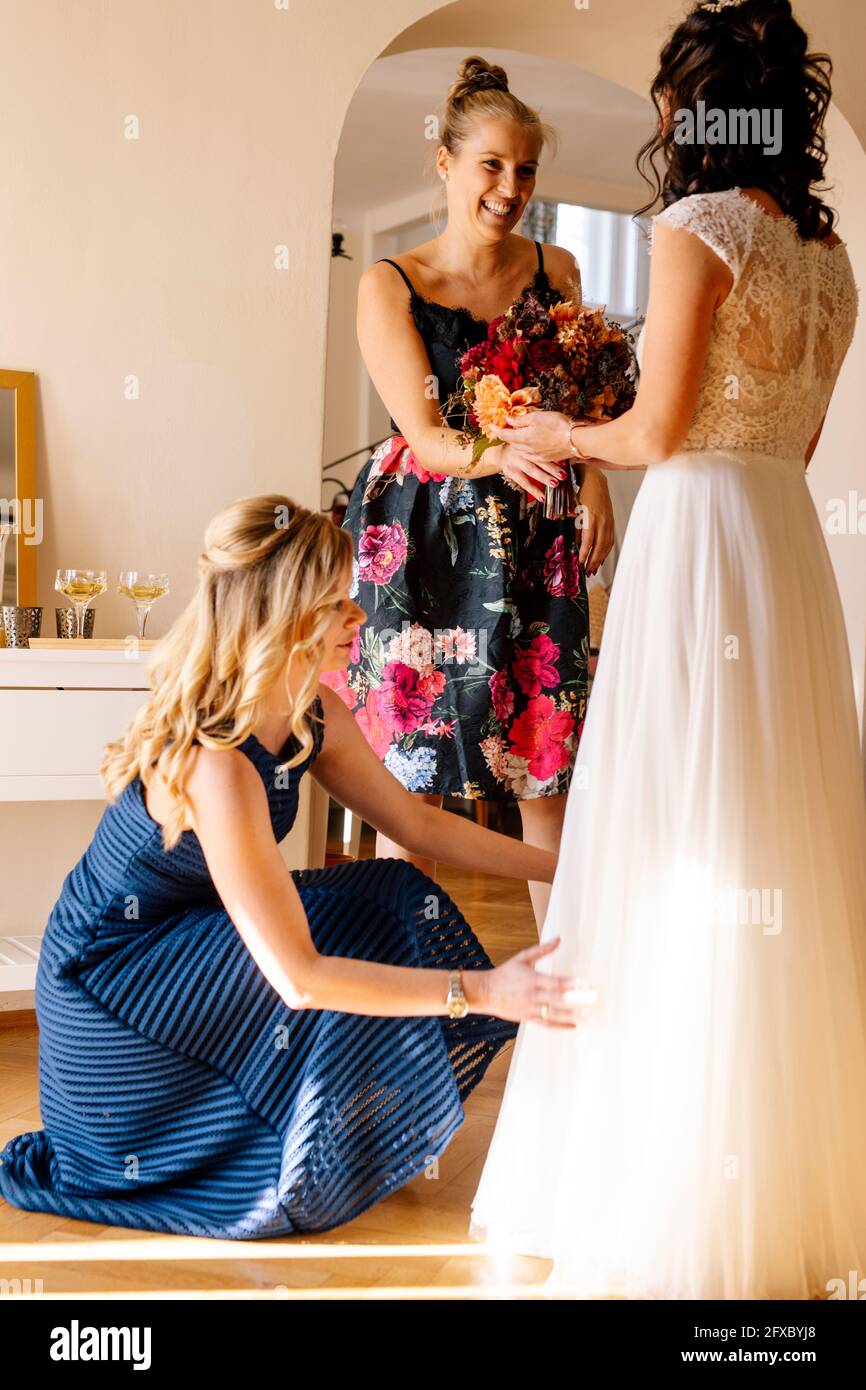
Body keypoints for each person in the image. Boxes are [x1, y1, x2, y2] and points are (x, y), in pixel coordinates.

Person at [470, 0, 866, 1298]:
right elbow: (791, 446)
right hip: (780, 545)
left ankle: (656, 1184)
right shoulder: (830, 256)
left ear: (691, 108)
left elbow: (648, 436)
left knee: (666, 833)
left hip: (698, 541)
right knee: (766, 843)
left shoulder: (695, 231)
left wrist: (551, 424)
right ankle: (776, 1180)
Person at [0, 495, 593, 1241]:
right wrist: (481, 992)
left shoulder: (313, 713)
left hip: (182, 941)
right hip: (110, 988)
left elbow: (416, 825)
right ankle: (278, 1144)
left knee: (386, 896)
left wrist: (575, 863)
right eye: (336, 602)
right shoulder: (216, 765)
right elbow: (297, 976)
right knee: (326, 939)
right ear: (286, 614)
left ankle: (353, 1129)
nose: (358, 616)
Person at [326, 55, 615, 930]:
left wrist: (591, 480)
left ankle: (569, 1000)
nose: (510, 186)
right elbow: (424, 436)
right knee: (408, 775)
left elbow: (584, 401)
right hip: (422, 533)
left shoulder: (557, 270)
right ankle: (394, 996)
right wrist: (513, 455)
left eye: (525, 169)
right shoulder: (391, 283)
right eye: (491, 164)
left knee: (543, 763)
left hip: (536, 530)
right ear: (445, 163)